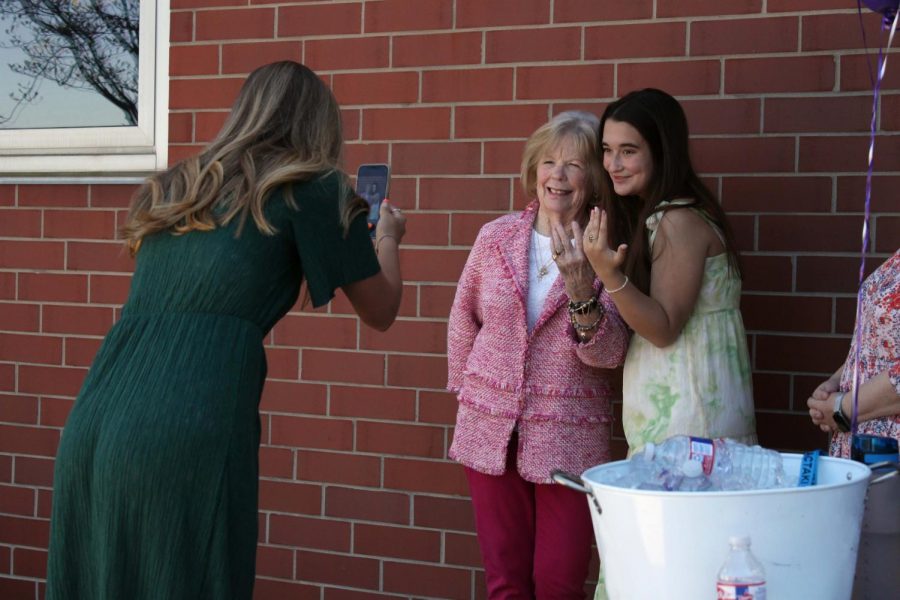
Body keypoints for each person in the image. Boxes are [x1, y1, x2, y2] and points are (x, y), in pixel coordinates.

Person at [45, 61, 406, 600]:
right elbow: (381, 309)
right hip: (189, 424)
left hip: (96, 419)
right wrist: (389, 237)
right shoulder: (312, 186)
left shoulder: (177, 185)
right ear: (318, 127)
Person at [446, 111, 630, 599]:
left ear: (594, 178)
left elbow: (610, 353)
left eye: (573, 164)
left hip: (568, 436)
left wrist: (578, 287)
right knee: (505, 580)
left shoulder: (611, 247)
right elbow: (463, 316)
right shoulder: (497, 237)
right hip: (490, 429)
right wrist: (470, 394)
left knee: (559, 581)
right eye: (548, 162)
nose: (558, 175)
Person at [582, 88, 758, 455]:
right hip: (683, 421)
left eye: (628, 151)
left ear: (663, 152)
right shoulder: (664, 216)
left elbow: (663, 328)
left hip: (691, 426)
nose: (612, 163)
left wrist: (608, 273)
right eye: (607, 150)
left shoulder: (678, 220)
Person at [806, 249, 900, 452]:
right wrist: (837, 381)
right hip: (865, 443)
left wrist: (843, 408)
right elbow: (876, 344)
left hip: (890, 452)